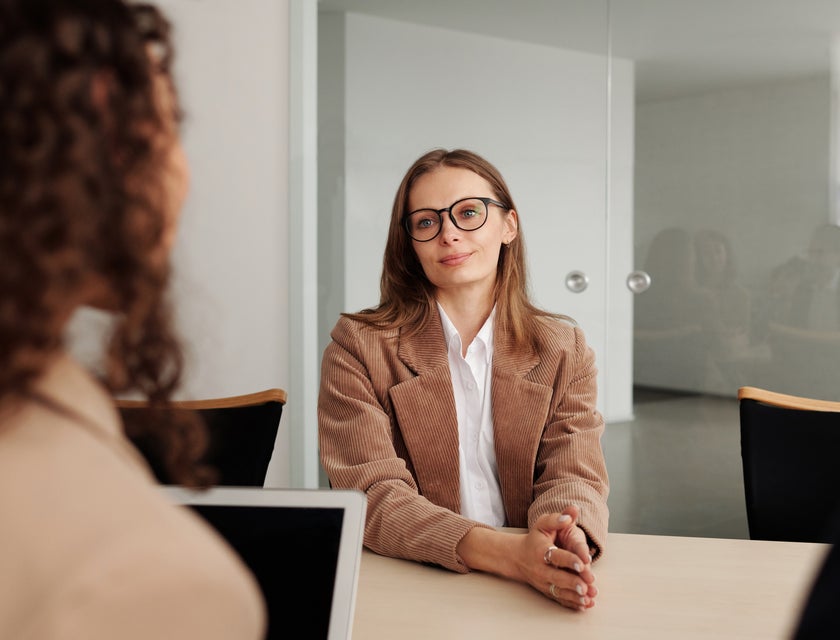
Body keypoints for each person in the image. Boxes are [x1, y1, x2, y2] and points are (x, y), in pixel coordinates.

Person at [0, 1, 265, 637]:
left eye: (471, 213)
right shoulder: (151, 580)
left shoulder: (554, 343)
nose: (183, 171)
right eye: (170, 126)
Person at [318, 148, 609, 611]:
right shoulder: (359, 346)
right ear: (410, 243)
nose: (449, 234)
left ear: (508, 226)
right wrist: (509, 554)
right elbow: (372, 494)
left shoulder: (563, 347)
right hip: (413, 578)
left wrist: (565, 530)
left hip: (532, 583)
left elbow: (575, 472)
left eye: (469, 213)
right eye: (427, 222)